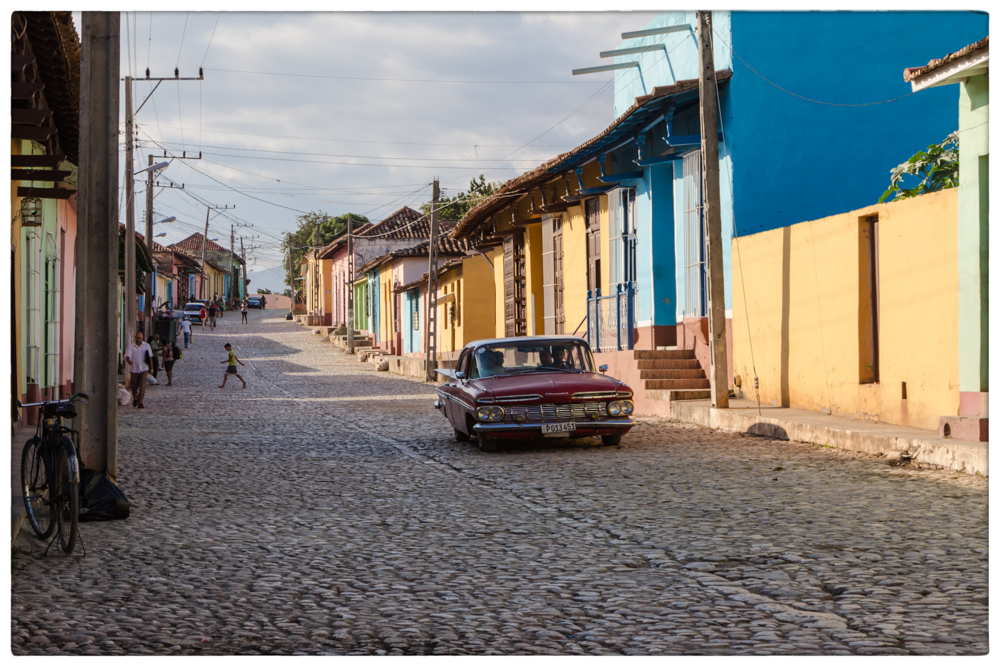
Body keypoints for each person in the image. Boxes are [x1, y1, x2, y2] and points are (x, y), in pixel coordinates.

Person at [124, 331, 153, 408]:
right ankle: (136, 398)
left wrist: (152, 368)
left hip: (144, 368)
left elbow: (150, 357)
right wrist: (129, 361)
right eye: (137, 337)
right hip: (134, 369)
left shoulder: (147, 346)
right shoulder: (131, 346)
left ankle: (140, 403)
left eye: (140, 338)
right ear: (135, 338)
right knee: (134, 386)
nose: (139, 339)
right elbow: (127, 356)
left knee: (142, 386)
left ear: (142, 338)